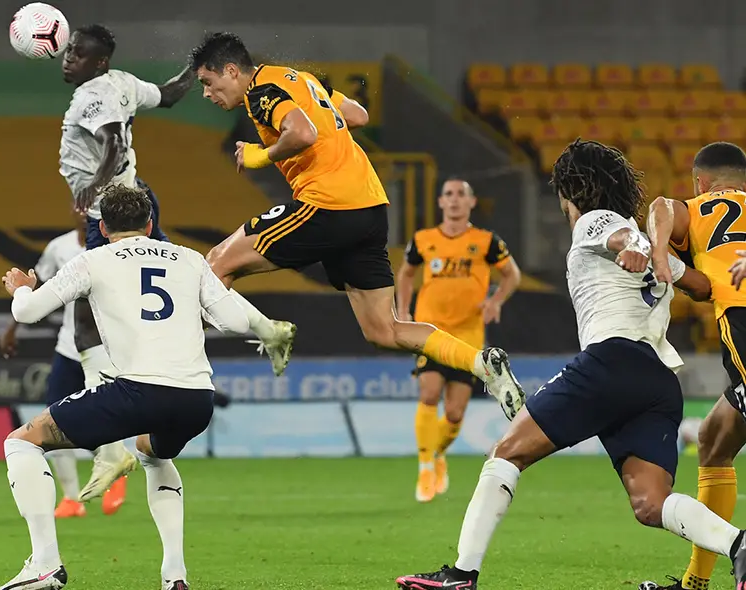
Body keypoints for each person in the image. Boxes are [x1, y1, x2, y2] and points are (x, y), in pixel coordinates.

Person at [393, 139, 743, 590]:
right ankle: (739, 545)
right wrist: (674, 261)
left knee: (506, 454)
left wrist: (636, 245)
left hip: (611, 360)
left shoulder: (597, 220)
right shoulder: (662, 252)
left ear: (570, 191)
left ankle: (461, 575)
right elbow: (702, 286)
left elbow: (623, 236)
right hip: (656, 381)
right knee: (652, 505)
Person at [190, 32, 526, 409]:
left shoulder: (260, 92)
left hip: (328, 205)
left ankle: (221, 356)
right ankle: (482, 364)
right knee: (386, 330)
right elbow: (357, 115)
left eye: (208, 82)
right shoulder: (301, 80)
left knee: (216, 264)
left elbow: (301, 132)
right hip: (369, 208)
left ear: (232, 71)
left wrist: (261, 155)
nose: (207, 93)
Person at [0, 185, 249, 590]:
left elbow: (27, 311)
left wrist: (22, 286)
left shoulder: (92, 260)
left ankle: (44, 565)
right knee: (151, 452)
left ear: (102, 226)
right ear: (150, 224)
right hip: (197, 399)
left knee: (23, 442)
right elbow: (236, 324)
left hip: (137, 392)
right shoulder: (190, 259)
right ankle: (174, 576)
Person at [57, 23, 198, 500]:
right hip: (137, 202)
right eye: (69, 50)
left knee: (85, 321)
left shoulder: (95, 94)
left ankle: (113, 443)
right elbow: (172, 94)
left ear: (99, 62)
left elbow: (114, 141)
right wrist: (199, 63)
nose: (68, 57)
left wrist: (96, 186)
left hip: (112, 214)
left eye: (78, 53)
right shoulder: (121, 83)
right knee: (147, 299)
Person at [639, 141, 746, 590]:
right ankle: (694, 584)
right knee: (713, 441)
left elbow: (662, 207)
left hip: (743, 319)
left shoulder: (698, 208)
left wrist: (661, 251)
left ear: (700, 182)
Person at [396, 178, 521, 503]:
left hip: (467, 338)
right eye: (448, 194)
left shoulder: (485, 241)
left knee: (454, 413)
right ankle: (425, 467)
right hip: (430, 332)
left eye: (460, 194)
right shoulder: (423, 240)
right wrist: (402, 311)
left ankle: (436, 454)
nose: (454, 200)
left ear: (471, 202)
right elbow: (406, 273)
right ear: (440, 202)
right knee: (429, 392)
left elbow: (512, 275)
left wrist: (495, 301)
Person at [0, 206, 129, 518]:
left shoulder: (115, 251)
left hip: (105, 347)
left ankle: (115, 471)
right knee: (53, 416)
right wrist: (12, 328)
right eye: (76, 206)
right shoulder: (59, 247)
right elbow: (37, 287)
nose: (80, 211)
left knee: (109, 414)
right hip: (69, 346)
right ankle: (71, 498)